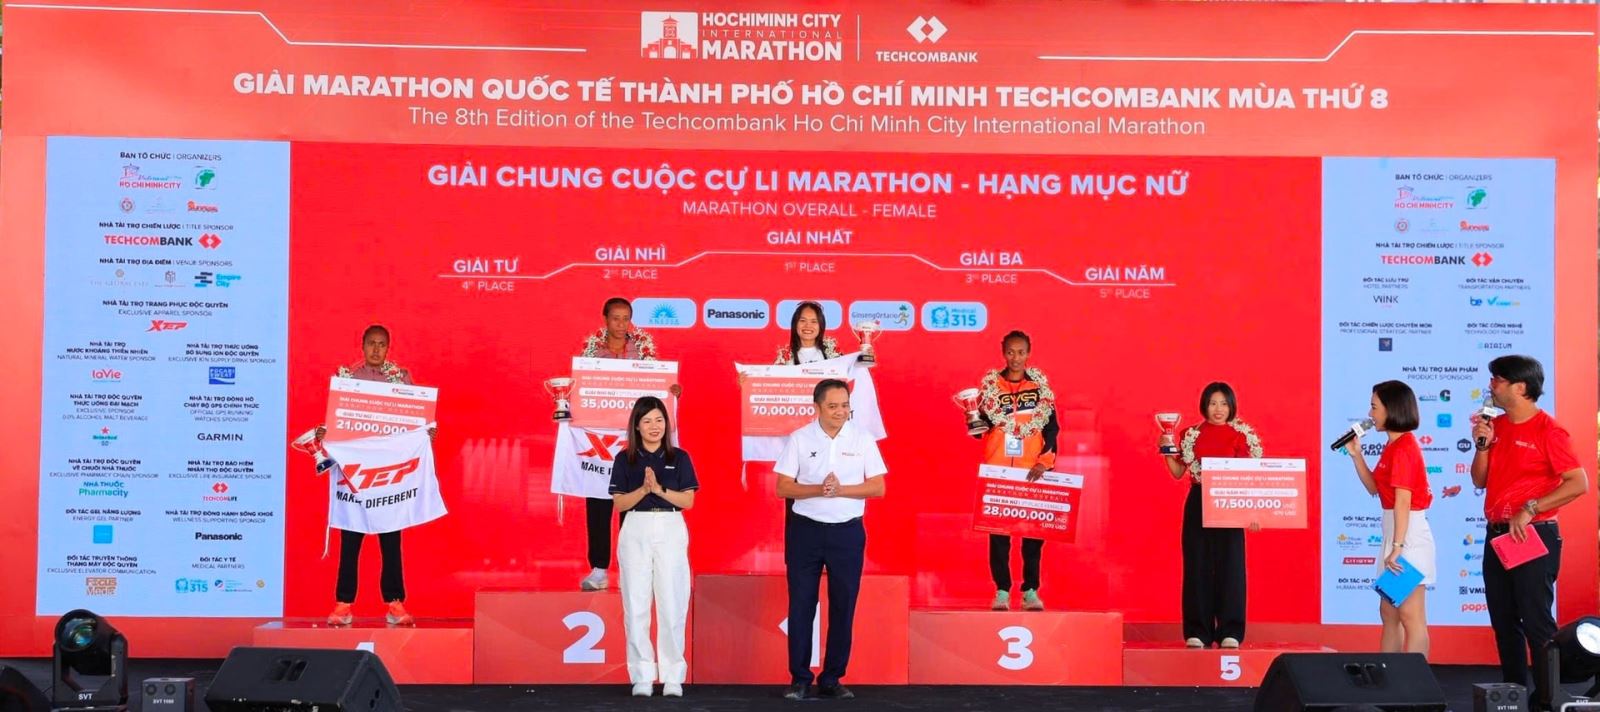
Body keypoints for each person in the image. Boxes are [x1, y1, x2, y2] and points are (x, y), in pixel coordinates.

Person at [1471, 355, 1587, 709]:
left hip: (1534, 535)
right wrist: (1482, 446)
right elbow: (1479, 480)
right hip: (1498, 535)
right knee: (1504, 621)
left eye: (1497, 380)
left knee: (1536, 622)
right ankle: (1513, 696)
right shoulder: (1496, 426)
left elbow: (1578, 482)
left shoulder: (1549, 431)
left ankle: (1547, 700)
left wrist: (1531, 507)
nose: (1491, 386)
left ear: (1520, 387)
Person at [775, 379, 887, 701]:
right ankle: (799, 679)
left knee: (843, 606)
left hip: (847, 533)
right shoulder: (800, 438)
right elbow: (783, 487)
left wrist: (841, 490)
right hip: (805, 531)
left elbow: (878, 487)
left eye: (845, 405)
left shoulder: (863, 438)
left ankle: (832, 678)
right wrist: (818, 489)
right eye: (833, 406)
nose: (840, 411)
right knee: (801, 605)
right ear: (817, 408)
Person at [318, 324, 436, 627]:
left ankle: (395, 603)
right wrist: (325, 435)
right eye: (371, 343)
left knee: (391, 541)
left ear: (388, 347)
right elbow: (337, 423)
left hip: (389, 475)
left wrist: (426, 433)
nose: (376, 349)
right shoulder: (348, 381)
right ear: (362, 345)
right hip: (355, 475)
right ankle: (343, 605)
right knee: (350, 540)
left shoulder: (401, 379)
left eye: (381, 344)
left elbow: (416, 422)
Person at [576, 297, 682, 592]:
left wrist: (671, 392)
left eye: (626, 319)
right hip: (599, 440)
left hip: (632, 441)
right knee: (598, 503)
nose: (621, 325)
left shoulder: (643, 352)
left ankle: (632, 569)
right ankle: (599, 569)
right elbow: (580, 393)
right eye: (616, 318)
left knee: (633, 504)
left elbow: (655, 395)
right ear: (605, 319)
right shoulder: (591, 354)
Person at [1161, 382, 1261, 649]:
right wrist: (1166, 449)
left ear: (1232, 406)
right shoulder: (1190, 434)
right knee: (1197, 565)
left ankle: (1231, 630)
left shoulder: (1242, 435)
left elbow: (1251, 477)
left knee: (1231, 566)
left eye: (1224, 404)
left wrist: (1252, 511)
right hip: (1199, 501)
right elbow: (1178, 472)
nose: (1218, 409)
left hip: (1231, 503)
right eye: (1213, 403)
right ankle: (1198, 631)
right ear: (1204, 405)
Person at [609, 396, 697, 698]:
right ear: (637, 426)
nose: (654, 426)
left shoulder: (679, 457)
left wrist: (659, 489)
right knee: (635, 604)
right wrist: (643, 489)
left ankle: (673, 676)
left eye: (659, 420)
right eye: (647, 421)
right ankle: (642, 675)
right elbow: (620, 503)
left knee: (672, 602)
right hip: (635, 526)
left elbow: (687, 501)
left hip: (670, 526)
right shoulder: (625, 459)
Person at [1342, 380, 1435, 654]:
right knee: (1389, 612)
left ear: (1391, 409)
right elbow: (1375, 488)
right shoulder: (1392, 446)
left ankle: (1415, 678)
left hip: (1408, 537)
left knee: (1410, 615)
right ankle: (1390, 673)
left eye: (1374, 407)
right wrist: (1356, 455)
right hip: (1394, 532)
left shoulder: (1405, 447)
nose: (1370, 414)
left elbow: (1403, 501)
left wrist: (1398, 546)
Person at [974, 330, 1059, 611]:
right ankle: (1001, 590)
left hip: (1031, 471)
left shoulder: (1040, 389)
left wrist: (1044, 462)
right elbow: (981, 429)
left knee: (1033, 536)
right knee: (999, 537)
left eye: (1021, 352)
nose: (1016, 358)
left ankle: (1030, 590)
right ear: (1003, 353)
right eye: (1011, 352)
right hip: (999, 470)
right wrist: (972, 419)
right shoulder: (991, 387)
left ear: (1028, 353)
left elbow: (1052, 429)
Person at [775, 301, 841, 365]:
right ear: (795, 324)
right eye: (803, 320)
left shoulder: (833, 354)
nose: (808, 326)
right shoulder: (784, 357)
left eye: (814, 321)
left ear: (821, 326)